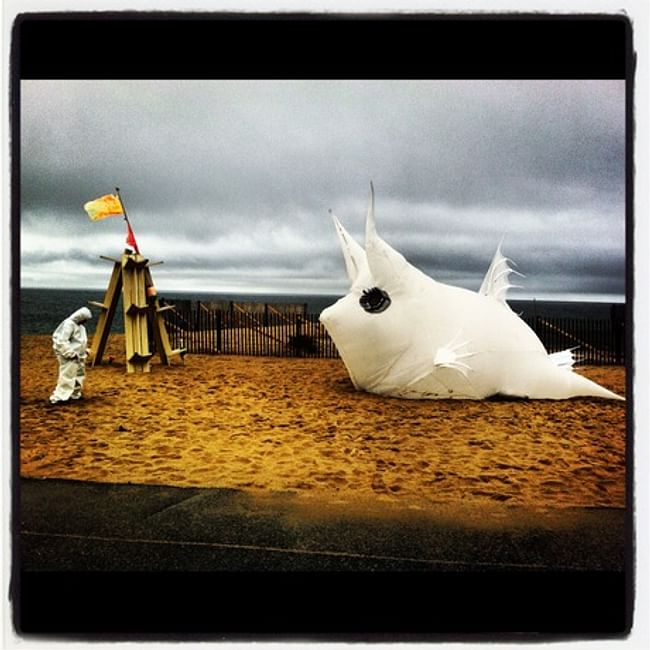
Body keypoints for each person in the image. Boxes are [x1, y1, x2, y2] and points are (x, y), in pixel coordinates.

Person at [49, 307, 92, 405]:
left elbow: (79, 342)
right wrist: (69, 353)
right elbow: (61, 341)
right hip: (69, 356)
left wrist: (84, 350)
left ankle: (74, 394)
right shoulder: (68, 324)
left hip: (79, 356)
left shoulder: (80, 327)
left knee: (79, 375)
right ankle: (60, 397)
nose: (85, 321)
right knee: (67, 375)